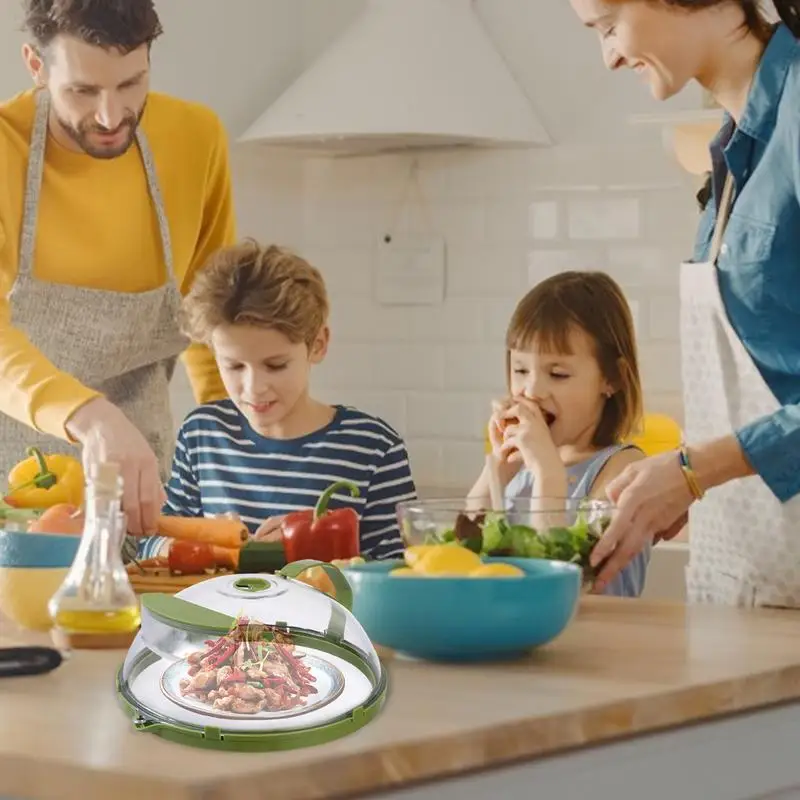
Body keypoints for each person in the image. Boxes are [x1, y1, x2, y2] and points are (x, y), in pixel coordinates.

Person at [570, 0, 800, 607]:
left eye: (611, 25)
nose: (610, 56)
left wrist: (697, 470)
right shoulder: (729, 155)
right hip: (751, 587)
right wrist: (680, 479)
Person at [0, 0, 234, 535]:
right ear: (36, 67)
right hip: (10, 486)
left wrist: (239, 453)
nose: (111, 116)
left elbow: (213, 317)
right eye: (83, 91)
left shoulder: (196, 138)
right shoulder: (3, 147)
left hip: (141, 482)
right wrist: (93, 416)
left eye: (131, 85)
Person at [136, 241, 416, 561]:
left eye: (276, 365)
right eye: (234, 366)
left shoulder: (374, 448)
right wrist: (201, 548)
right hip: (219, 613)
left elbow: (401, 571)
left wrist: (308, 550)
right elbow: (153, 542)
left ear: (318, 345)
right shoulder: (202, 434)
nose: (253, 388)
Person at [467, 271, 650, 597]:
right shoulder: (522, 468)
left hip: (599, 640)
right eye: (520, 369)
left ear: (613, 379)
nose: (532, 389)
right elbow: (465, 551)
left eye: (558, 374)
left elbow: (565, 588)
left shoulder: (623, 470)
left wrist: (548, 473)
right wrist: (497, 470)